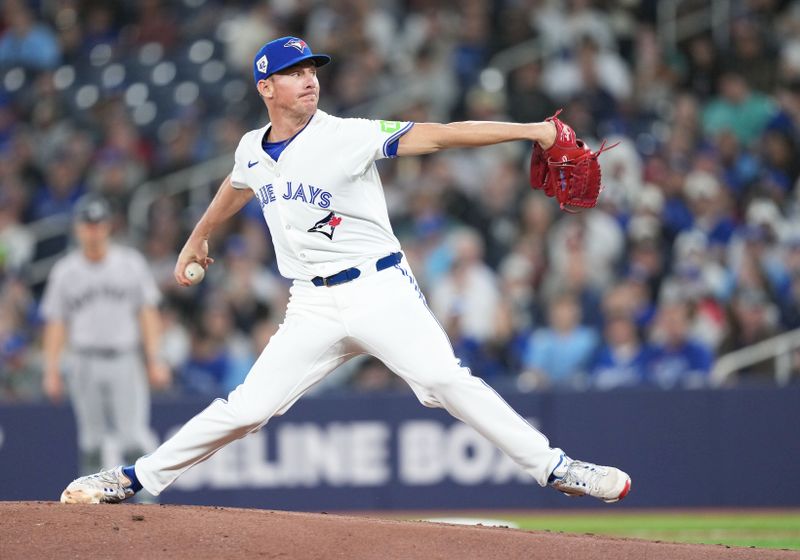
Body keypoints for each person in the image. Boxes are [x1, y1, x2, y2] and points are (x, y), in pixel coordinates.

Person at [60, 36, 630, 505]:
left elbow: (440, 134)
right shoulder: (251, 149)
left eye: (312, 68)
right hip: (310, 303)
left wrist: (530, 131)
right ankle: (135, 479)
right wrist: (196, 239)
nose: (309, 78)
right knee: (247, 408)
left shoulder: (347, 135)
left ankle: (557, 467)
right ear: (266, 87)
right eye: (293, 72)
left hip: (379, 288)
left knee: (442, 382)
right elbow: (236, 186)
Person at [41, 194, 171, 476]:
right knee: (91, 439)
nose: (93, 230)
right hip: (83, 360)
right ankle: (93, 512)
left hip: (125, 358)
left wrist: (155, 359)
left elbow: (148, 315)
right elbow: (56, 323)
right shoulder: (65, 271)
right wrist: (50, 369)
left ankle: (149, 503)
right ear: (77, 228)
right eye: (88, 224)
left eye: (98, 224)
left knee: (133, 435)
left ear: (108, 226)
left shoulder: (130, 263)